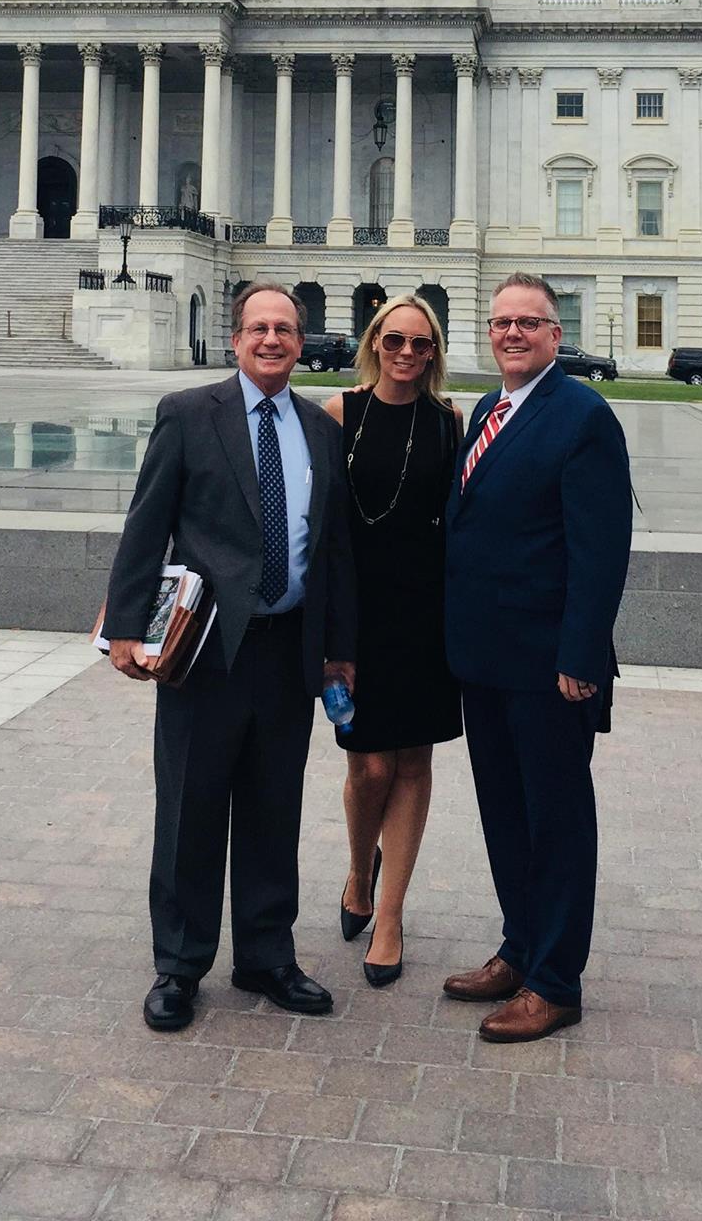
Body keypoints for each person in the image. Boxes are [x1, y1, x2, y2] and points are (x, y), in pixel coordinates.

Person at [102, 280, 356, 1033]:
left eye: (285, 329)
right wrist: (127, 626)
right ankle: (179, 965)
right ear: (237, 338)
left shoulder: (320, 429)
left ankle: (267, 954)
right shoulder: (188, 415)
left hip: (288, 650)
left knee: (275, 807)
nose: (272, 340)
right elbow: (146, 527)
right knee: (190, 807)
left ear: (300, 343)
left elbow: (332, 549)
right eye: (258, 328)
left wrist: (339, 651)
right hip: (206, 650)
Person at [442, 273, 633, 1044]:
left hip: (550, 664)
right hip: (486, 660)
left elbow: (601, 550)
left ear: (557, 334)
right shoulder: (489, 409)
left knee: (555, 821)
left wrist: (580, 655)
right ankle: (520, 947)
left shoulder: (582, 416)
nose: (513, 333)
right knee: (505, 815)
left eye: (529, 322)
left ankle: (556, 981)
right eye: (501, 322)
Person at [323, 294, 464, 989]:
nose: (407, 353)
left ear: (434, 352)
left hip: (426, 616)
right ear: (375, 341)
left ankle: (391, 916)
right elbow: (317, 526)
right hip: (356, 615)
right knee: (368, 769)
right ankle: (358, 871)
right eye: (395, 340)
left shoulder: (449, 422)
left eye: (421, 344)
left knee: (412, 765)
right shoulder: (338, 414)